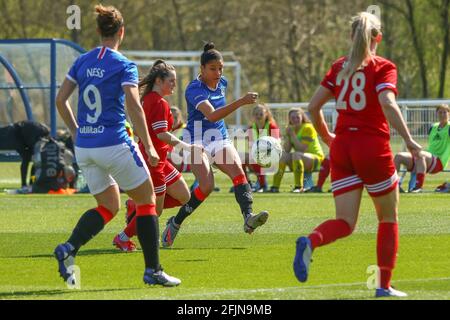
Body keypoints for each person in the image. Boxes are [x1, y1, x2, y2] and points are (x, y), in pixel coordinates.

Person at [292, 12, 422, 298]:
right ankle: (383, 286)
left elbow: (313, 107)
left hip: (342, 147)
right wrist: (410, 141)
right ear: (379, 37)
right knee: (388, 218)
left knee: (345, 222)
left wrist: (327, 138)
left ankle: (311, 241)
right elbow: (387, 103)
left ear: (351, 36)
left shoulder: (339, 66)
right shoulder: (383, 66)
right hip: (372, 148)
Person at [53, 4, 180, 286]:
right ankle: (153, 270)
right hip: (114, 143)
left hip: (86, 147)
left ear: (98, 31)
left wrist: (76, 131)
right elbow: (134, 106)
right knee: (147, 201)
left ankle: (68, 248)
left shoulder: (82, 61)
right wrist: (147, 144)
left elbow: (60, 100)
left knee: (109, 205)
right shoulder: (124, 65)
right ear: (121, 32)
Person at [160, 42, 270, 248]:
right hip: (195, 140)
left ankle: (248, 217)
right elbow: (211, 114)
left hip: (218, 137)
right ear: (201, 69)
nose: (218, 73)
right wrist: (241, 102)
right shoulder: (194, 89)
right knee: (207, 186)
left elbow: (217, 116)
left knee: (239, 173)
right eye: (212, 69)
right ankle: (175, 223)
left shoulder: (223, 82)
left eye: (220, 68)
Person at [112, 60, 210, 251]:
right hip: (153, 161)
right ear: (159, 80)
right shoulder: (158, 102)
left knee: (183, 196)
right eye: (171, 81)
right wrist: (187, 147)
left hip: (159, 159)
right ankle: (123, 237)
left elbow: (143, 130)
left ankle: (136, 206)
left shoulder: (146, 99)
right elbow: (161, 134)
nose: (174, 84)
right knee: (154, 210)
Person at [394, 104, 449, 193]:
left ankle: (418, 187)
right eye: (440, 112)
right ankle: (394, 186)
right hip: (426, 159)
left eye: (445, 112)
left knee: (421, 154)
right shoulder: (433, 127)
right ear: (436, 114)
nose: (442, 114)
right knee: (398, 156)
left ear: (449, 114)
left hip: (438, 162)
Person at [270, 108, 324, 193]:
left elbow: (302, 149)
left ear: (302, 117)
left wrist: (292, 134)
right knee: (283, 156)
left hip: (316, 159)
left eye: (297, 117)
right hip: (300, 159)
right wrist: (288, 136)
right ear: (289, 119)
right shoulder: (291, 129)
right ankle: (275, 187)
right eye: (292, 118)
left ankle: (298, 187)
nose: (295, 120)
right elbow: (287, 149)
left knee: (296, 154)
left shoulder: (308, 128)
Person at [238, 104, 280, 193]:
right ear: (253, 115)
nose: (258, 116)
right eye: (256, 114)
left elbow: (276, 144)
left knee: (258, 157)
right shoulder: (251, 128)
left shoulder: (272, 126)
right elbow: (250, 145)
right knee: (241, 158)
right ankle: (246, 184)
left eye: (261, 114)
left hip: (271, 156)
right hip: (257, 154)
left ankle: (263, 185)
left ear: (266, 114)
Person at [0, 120, 50, 189]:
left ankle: (28, 183)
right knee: (30, 159)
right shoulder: (39, 132)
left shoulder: (38, 130)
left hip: (17, 137)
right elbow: (33, 143)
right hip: (14, 135)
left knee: (28, 159)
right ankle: (28, 183)